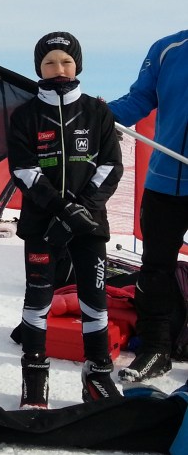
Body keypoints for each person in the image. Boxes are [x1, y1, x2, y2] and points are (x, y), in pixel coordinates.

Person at [7, 31, 123, 408]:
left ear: (78, 66)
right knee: (38, 297)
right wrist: (61, 209)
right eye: (50, 62)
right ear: (38, 67)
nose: (59, 68)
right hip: (42, 225)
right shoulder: (25, 114)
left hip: (90, 224)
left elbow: (111, 166)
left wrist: (81, 210)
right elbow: (23, 170)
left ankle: (97, 374)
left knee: (94, 298)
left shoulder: (97, 111)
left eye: (66, 61)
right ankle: (34, 376)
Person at [107, 30, 188, 382]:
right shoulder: (168, 48)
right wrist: (95, 113)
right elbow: (138, 99)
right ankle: (156, 349)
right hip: (165, 182)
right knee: (155, 270)